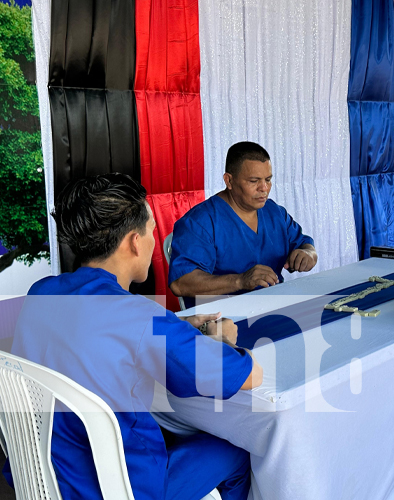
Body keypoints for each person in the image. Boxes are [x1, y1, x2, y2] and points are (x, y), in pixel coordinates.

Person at [5, 173, 263, 500]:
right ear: (134, 241)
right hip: (123, 488)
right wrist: (224, 339)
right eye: (153, 231)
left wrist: (177, 325)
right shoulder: (139, 316)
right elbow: (251, 375)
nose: (155, 241)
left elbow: (107, 331)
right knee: (235, 450)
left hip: (47, 475)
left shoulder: (41, 294)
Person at [169, 141, 317, 308]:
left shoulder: (274, 212)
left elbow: (305, 245)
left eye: (268, 180)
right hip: (221, 320)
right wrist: (240, 281)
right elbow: (181, 283)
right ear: (229, 180)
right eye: (254, 181)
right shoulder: (200, 222)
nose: (264, 188)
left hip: (272, 309)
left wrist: (307, 254)